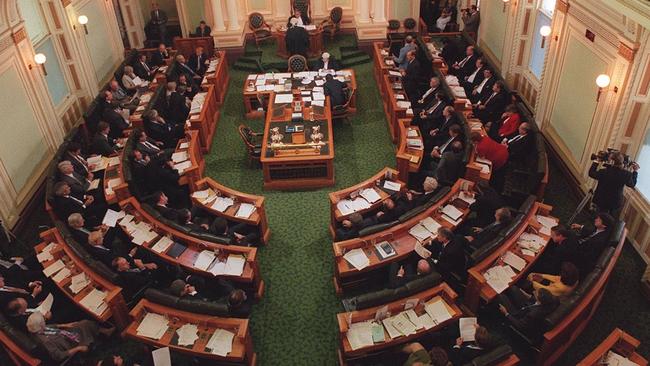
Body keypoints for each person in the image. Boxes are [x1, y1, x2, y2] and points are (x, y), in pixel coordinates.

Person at [26, 311, 114, 362]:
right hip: (70, 345)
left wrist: (65, 325)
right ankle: (99, 336)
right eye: (43, 320)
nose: (45, 319)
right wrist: (78, 349)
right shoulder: (46, 342)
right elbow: (59, 356)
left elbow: (50, 327)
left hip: (64, 334)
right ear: (41, 325)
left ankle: (104, 332)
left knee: (84, 323)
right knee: (84, 327)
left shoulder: (35, 328)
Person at [588, 151, 639, 216]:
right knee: (609, 220)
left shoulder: (604, 172)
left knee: (597, 218)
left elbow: (591, 173)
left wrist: (597, 160)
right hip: (614, 203)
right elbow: (632, 184)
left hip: (600, 200)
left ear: (612, 161)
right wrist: (635, 171)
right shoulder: (626, 174)